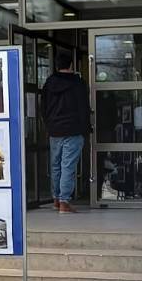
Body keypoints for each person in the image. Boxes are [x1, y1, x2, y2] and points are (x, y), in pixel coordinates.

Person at [43, 51, 91, 214]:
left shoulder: (49, 83)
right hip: (73, 129)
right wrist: (86, 128)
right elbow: (83, 108)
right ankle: (64, 202)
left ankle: (56, 199)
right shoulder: (78, 83)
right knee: (68, 166)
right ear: (71, 65)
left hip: (54, 130)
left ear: (57, 66)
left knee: (55, 166)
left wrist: (48, 125)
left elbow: (43, 107)